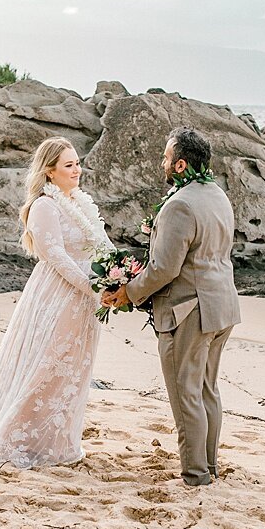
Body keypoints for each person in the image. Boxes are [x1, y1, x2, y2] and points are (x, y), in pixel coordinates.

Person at [0, 137, 111, 467]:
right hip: (57, 296)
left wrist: (117, 276)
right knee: (46, 367)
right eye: (69, 165)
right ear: (50, 172)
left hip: (85, 301)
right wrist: (91, 285)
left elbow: (103, 247)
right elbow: (55, 255)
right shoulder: (45, 206)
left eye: (77, 163)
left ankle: (55, 441)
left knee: (72, 370)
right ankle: (19, 439)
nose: (77, 170)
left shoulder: (82, 203)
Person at [102, 128, 240, 487]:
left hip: (189, 312)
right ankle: (209, 467)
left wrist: (127, 292)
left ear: (180, 164)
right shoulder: (218, 195)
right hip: (222, 305)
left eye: (166, 158)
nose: (162, 163)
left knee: (186, 394)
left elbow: (164, 268)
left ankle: (195, 475)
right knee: (207, 389)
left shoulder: (179, 204)